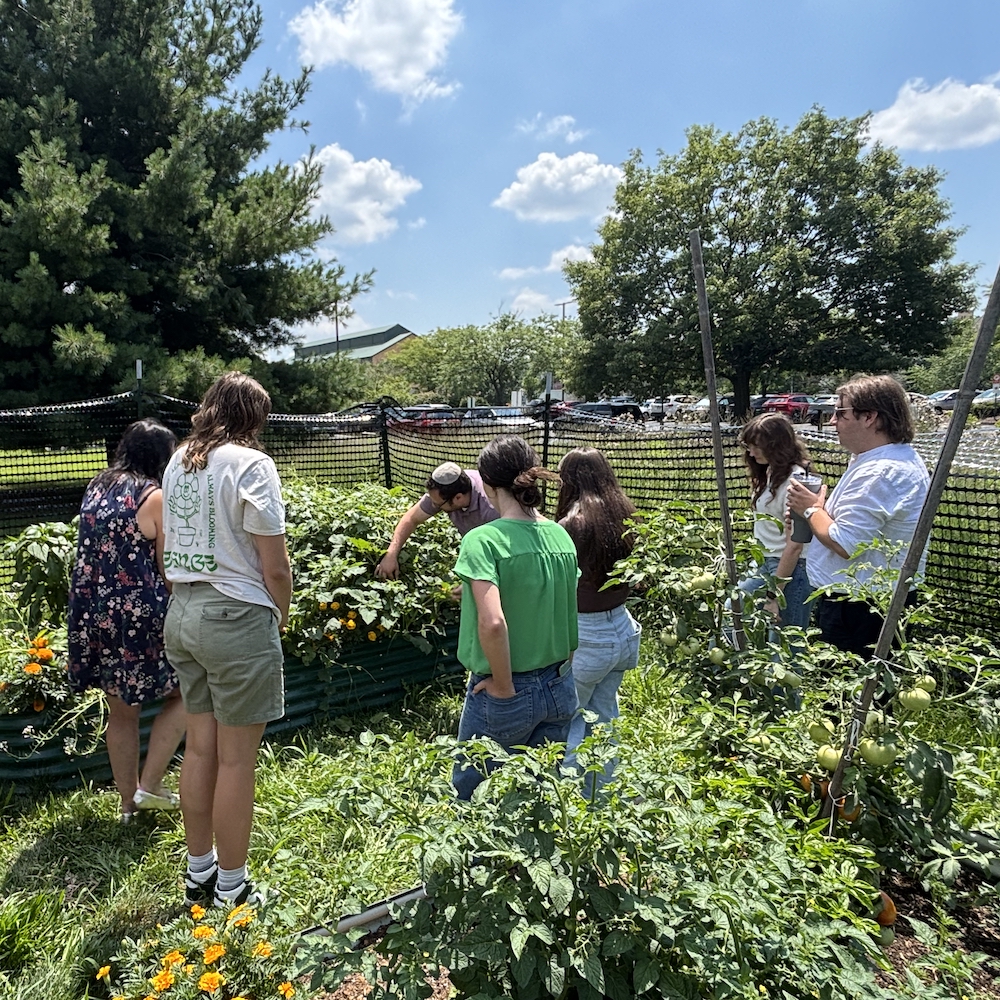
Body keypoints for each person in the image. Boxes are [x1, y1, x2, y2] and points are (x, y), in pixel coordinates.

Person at [162, 372, 292, 908]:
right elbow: (274, 564)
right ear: (253, 419)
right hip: (235, 616)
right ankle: (233, 890)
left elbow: (169, 542)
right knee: (238, 761)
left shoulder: (177, 460)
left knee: (200, 748)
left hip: (184, 611)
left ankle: (199, 874)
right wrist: (277, 616)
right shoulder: (251, 464)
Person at [68, 419, 187, 825]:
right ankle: (150, 784)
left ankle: (128, 806)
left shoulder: (97, 486)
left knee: (122, 713)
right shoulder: (153, 496)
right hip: (140, 616)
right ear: (161, 457)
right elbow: (167, 568)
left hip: (96, 612)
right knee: (187, 690)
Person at [451, 436, 579, 800]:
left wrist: (505, 687)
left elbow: (493, 623)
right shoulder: (560, 536)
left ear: (487, 485)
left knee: (474, 791)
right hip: (559, 683)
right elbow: (568, 611)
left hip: (506, 687)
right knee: (539, 791)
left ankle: (477, 860)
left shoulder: (483, 540)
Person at [786, 375, 929, 657]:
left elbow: (846, 543)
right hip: (864, 601)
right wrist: (817, 516)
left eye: (841, 413)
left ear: (870, 417)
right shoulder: (880, 461)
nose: (832, 422)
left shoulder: (881, 472)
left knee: (853, 694)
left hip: (863, 607)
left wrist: (811, 510)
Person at [554, 448, 641, 789]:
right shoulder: (624, 511)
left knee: (571, 722)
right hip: (620, 626)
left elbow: (560, 586)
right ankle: (602, 796)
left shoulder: (571, 523)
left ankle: (571, 805)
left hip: (586, 634)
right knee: (605, 721)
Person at [737, 413, 814, 629]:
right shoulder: (769, 472)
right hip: (764, 561)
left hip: (791, 569)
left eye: (757, 446)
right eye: (749, 446)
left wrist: (775, 595)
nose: (751, 453)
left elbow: (796, 544)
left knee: (786, 645)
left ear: (776, 446)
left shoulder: (796, 482)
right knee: (731, 614)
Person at [374, 462, 499, 579]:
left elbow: (503, 556)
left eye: (437, 505)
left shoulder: (491, 508)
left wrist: (473, 582)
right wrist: (391, 554)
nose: (433, 507)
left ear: (458, 498)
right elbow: (411, 519)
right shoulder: (446, 488)